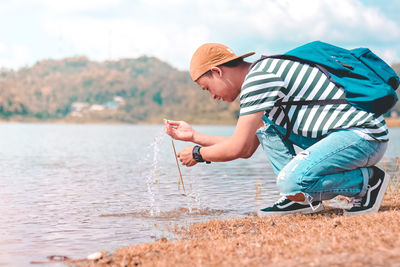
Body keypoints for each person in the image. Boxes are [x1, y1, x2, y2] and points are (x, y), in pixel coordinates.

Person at [164, 43, 390, 216]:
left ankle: (367, 181)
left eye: (207, 88)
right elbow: (247, 144)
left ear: (217, 71)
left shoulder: (259, 79)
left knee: (290, 181)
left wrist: (197, 154)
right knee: (266, 128)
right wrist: (194, 136)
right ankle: (299, 198)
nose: (213, 96)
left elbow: (239, 149)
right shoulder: (259, 77)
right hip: (343, 139)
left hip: (362, 137)